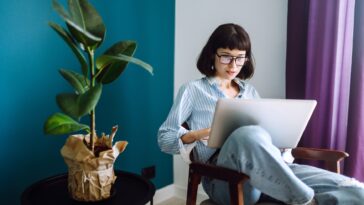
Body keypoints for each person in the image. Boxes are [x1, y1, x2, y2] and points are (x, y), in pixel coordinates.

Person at [157, 23, 364, 205]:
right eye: (226, 56)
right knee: (246, 135)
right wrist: (199, 133)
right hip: (224, 178)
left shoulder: (249, 91)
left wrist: (278, 141)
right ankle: (304, 201)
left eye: (240, 59)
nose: (233, 65)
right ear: (213, 54)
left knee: (354, 189)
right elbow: (165, 139)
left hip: (269, 171)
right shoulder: (193, 90)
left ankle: (305, 195)